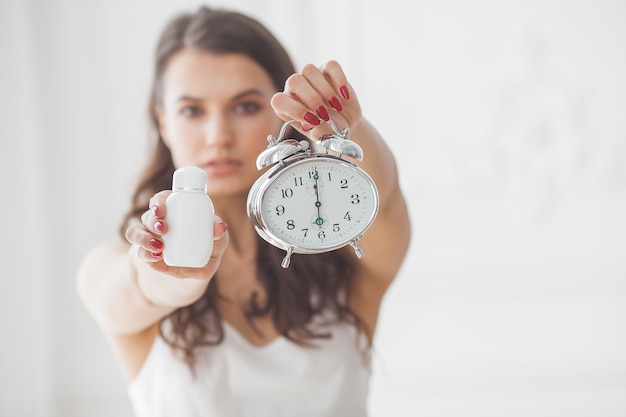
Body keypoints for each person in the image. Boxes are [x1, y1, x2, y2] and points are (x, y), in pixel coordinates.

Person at [77, 5, 410, 417]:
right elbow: (137, 286)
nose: (218, 136)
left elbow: (384, 196)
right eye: (192, 110)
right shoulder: (105, 268)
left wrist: (346, 127)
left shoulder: (344, 260)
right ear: (163, 123)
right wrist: (176, 272)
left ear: (282, 111)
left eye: (245, 106)